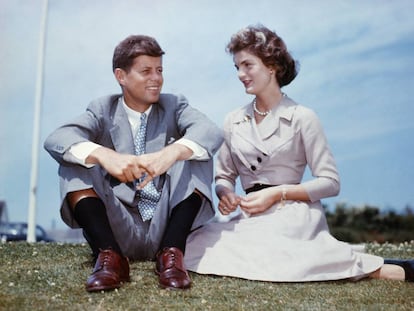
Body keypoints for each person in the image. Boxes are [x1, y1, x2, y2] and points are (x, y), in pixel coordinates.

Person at [184, 25, 414, 283]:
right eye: (237, 67)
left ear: (272, 66)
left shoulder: (303, 117)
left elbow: (330, 182)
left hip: (292, 212)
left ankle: (385, 269)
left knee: (275, 255)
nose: (240, 74)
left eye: (248, 65)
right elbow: (224, 176)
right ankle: (332, 259)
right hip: (249, 216)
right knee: (194, 246)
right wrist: (225, 193)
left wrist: (275, 193)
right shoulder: (233, 120)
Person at [44, 35, 223, 292]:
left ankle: (172, 257)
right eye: (146, 71)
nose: (156, 78)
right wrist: (105, 155)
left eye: (159, 70)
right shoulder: (101, 109)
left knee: (194, 151)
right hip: (118, 226)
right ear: (121, 76)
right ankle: (109, 259)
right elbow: (57, 138)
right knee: (76, 157)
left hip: (166, 226)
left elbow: (210, 131)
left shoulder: (174, 105)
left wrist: (171, 153)